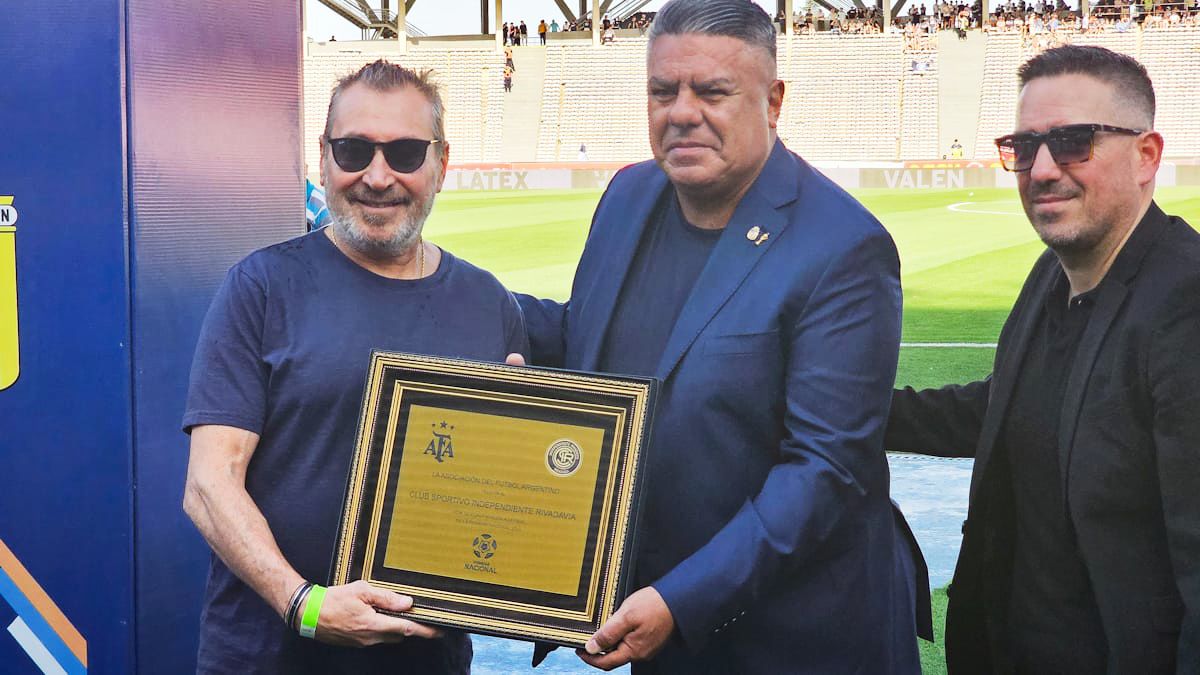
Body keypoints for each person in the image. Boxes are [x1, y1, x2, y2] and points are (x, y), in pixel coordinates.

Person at [517, 1, 930, 671]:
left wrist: (683, 599)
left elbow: (823, 470)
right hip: (663, 625)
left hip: (796, 638)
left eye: (712, 91)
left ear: (773, 101)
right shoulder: (628, 194)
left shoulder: (845, 248)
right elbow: (588, 333)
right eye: (662, 91)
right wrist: (454, 296)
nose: (681, 111)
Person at [181, 60, 528, 674]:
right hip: (267, 657)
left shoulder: (488, 302)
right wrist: (305, 606)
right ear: (323, 158)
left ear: (441, 164)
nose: (377, 175)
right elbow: (209, 486)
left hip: (425, 661)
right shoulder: (261, 286)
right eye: (353, 150)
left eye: (404, 152)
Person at [886, 45, 1200, 673]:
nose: (1044, 168)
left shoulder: (1187, 305)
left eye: (1075, 141)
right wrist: (836, 406)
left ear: (1147, 156)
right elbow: (1006, 410)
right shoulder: (1050, 276)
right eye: (1025, 148)